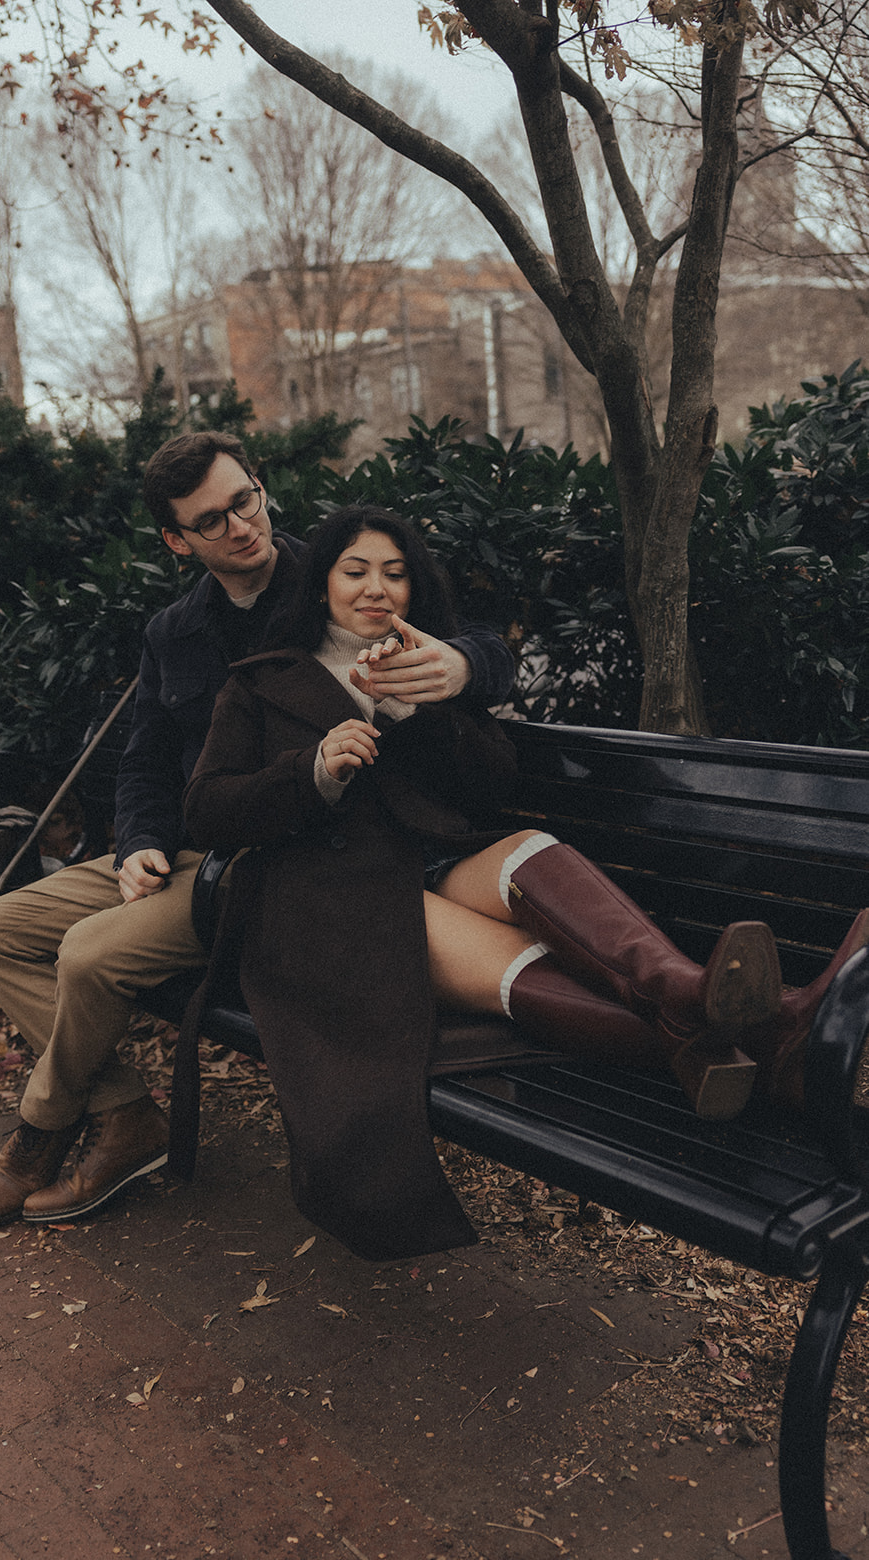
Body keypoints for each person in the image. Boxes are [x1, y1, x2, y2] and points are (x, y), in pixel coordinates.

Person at [182, 505, 869, 1262]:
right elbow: (208, 810)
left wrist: (429, 710)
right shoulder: (260, 682)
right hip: (334, 902)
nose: (376, 588)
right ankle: (775, 1035)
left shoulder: (432, 665)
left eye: (395, 572)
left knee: (527, 847)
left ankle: (688, 997)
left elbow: (487, 791)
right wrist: (311, 770)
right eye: (355, 571)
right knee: (499, 951)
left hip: (434, 863)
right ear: (321, 586)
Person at [0, 436, 519, 1230]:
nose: (239, 526)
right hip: (187, 841)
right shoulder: (174, 632)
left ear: (261, 488)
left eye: (244, 500)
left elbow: (475, 642)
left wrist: (461, 667)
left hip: (273, 855)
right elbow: (145, 762)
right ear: (176, 540)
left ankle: (41, 1126)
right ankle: (124, 1115)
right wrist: (137, 844)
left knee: (88, 956)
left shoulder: (330, 578)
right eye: (210, 520)